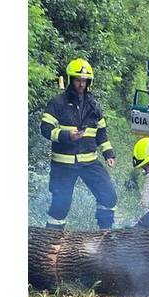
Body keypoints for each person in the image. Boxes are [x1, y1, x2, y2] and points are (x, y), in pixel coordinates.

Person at [39, 58, 118, 230]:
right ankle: (51, 244)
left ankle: (104, 235)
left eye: (84, 80)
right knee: (60, 205)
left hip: (89, 162)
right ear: (70, 80)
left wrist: (109, 154)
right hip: (63, 164)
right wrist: (67, 136)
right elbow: (45, 129)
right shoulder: (57, 103)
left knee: (109, 196)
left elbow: (101, 134)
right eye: (77, 80)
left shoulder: (94, 106)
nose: (81, 84)